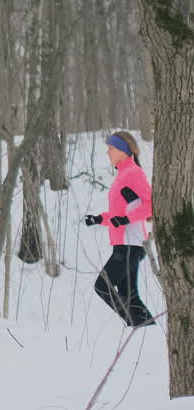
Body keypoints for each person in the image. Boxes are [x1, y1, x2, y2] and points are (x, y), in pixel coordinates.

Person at [84, 131, 156, 327]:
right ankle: (147, 331)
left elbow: (150, 205)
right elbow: (119, 215)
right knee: (130, 296)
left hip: (130, 244)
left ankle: (133, 324)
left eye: (112, 148)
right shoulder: (123, 174)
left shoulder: (134, 173)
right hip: (125, 244)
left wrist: (124, 219)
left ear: (124, 151)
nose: (108, 153)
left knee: (102, 286)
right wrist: (99, 219)